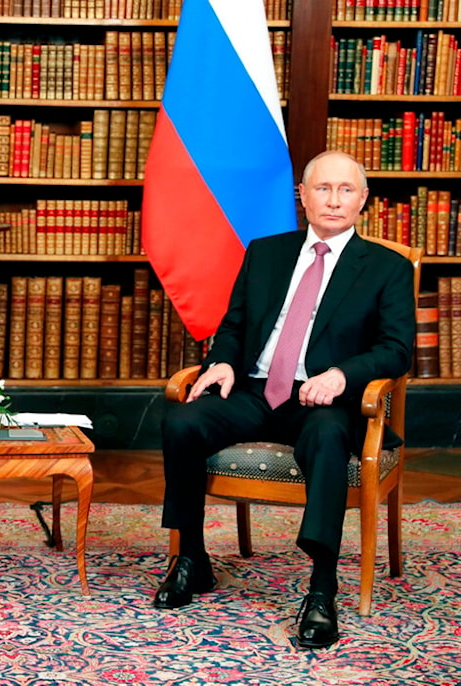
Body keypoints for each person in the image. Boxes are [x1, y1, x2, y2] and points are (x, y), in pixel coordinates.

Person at [153, 150, 415, 649]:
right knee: (183, 421)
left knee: (329, 435)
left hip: (323, 401)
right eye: (322, 189)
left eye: (345, 190)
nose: (333, 200)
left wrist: (342, 375)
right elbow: (233, 326)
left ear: (363, 200)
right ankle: (192, 557)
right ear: (303, 196)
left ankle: (321, 587)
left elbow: (397, 350)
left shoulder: (386, 268)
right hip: (254, 390)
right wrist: (223, 361)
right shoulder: (266, 252)